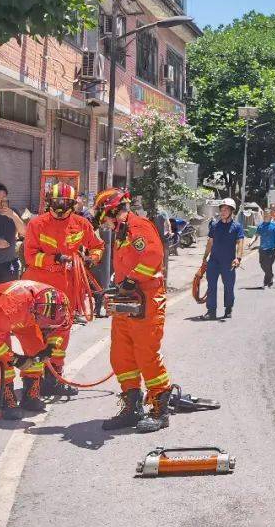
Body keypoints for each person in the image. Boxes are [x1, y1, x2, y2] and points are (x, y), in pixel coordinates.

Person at [94, 188, 172, 433]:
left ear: (114, 210)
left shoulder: (139, 226)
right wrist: (120, 282)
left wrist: (132, 279)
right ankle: (131, 407)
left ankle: (160, 410)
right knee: (121, 355)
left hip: (146, 300)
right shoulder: (122, 231)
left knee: (146, 355)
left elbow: (153, 256)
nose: (105, 222)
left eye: (105, 215)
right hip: (128, 300)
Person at [21, 182, 104, 396]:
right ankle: (33, 383)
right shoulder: (36, 224)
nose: (60, 207)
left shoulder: (81, 224)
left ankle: (54, 380)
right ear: (49, 202)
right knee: (36, 334)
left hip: (68, 287)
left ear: (72, 204)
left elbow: (97, 245)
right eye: (56, 202)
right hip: (39, 288)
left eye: (64, 203)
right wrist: (55, 258)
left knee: (61, 333)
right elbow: (30, 257)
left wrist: (91, 259)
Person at [0, 279, 72, 418]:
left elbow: (63, 328)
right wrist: (15, 359)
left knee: (37, 349)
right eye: (44, 324)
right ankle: (7, 399)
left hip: (28, 317)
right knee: (3, 357)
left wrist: (51, 346)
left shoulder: (61, 305)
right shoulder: (12, 306)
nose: (46, 328)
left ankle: (30, 396)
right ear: (34, 309)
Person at [201, 198, 244, 319]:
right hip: (214, 261)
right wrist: (205, 257)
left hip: (229, 263)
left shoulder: (237, 227)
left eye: (226, 209)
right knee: (211, 286)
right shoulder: (215, 226)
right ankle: (211, 311)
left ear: (231, 211)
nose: (223, 211)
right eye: (222, 209)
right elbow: (210, 242)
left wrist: (238, 258)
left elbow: (240, 242)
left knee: (229, 286)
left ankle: (228, 308)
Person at [249, 208, 275, 288]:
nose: (265, 215)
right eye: (264, 214)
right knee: (262, 265)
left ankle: (266, 283)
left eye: (267, 213)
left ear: (270, 215)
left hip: (271, 249)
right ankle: (271, 275)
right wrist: (251, 241)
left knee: (268, 265)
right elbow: (256, 235)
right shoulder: (261, 226)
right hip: (262, 249)